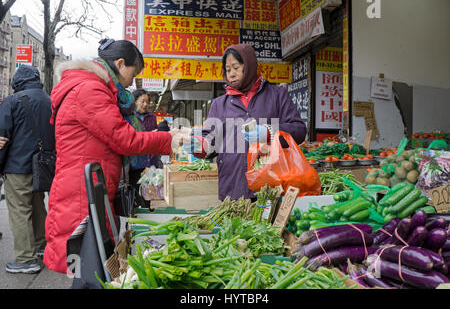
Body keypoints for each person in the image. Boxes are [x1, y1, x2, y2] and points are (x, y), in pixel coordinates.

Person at [43, 38, 187, 275]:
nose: (132, 81)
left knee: (92, 266)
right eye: (134, 72)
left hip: (89, 187)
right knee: (90, 270)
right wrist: (168, 139)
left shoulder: (90, 86)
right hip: (82, 192)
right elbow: (124, 139)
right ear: (120, 63)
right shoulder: (89, 89)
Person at [182, 43, 307, 201]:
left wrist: (269, 132)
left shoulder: (277, 96)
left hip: (273, 187)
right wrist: (201, 146)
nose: (231, 74)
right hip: (233, 187)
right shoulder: (219, 104)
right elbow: (212, 141)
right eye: (228, 70)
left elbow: (299, 130)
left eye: (236, 67)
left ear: (248, 65)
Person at [0, 65, 55, 274]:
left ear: (17, 81)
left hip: (17, 166)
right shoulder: (50, 100)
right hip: (42, 166)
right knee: (38, 204)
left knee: (20, 211)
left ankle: (25, 259)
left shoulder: (12, 101)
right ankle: (42, 245)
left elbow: (2, 138)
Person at [124, 88, 160, 186]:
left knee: (150, 190)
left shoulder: (152, 117)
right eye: (142, 101)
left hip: (151, 159)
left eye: (147, 102)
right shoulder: (129, 117)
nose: (145, 104)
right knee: (135, 189)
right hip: (135, 162)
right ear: (135, 101)